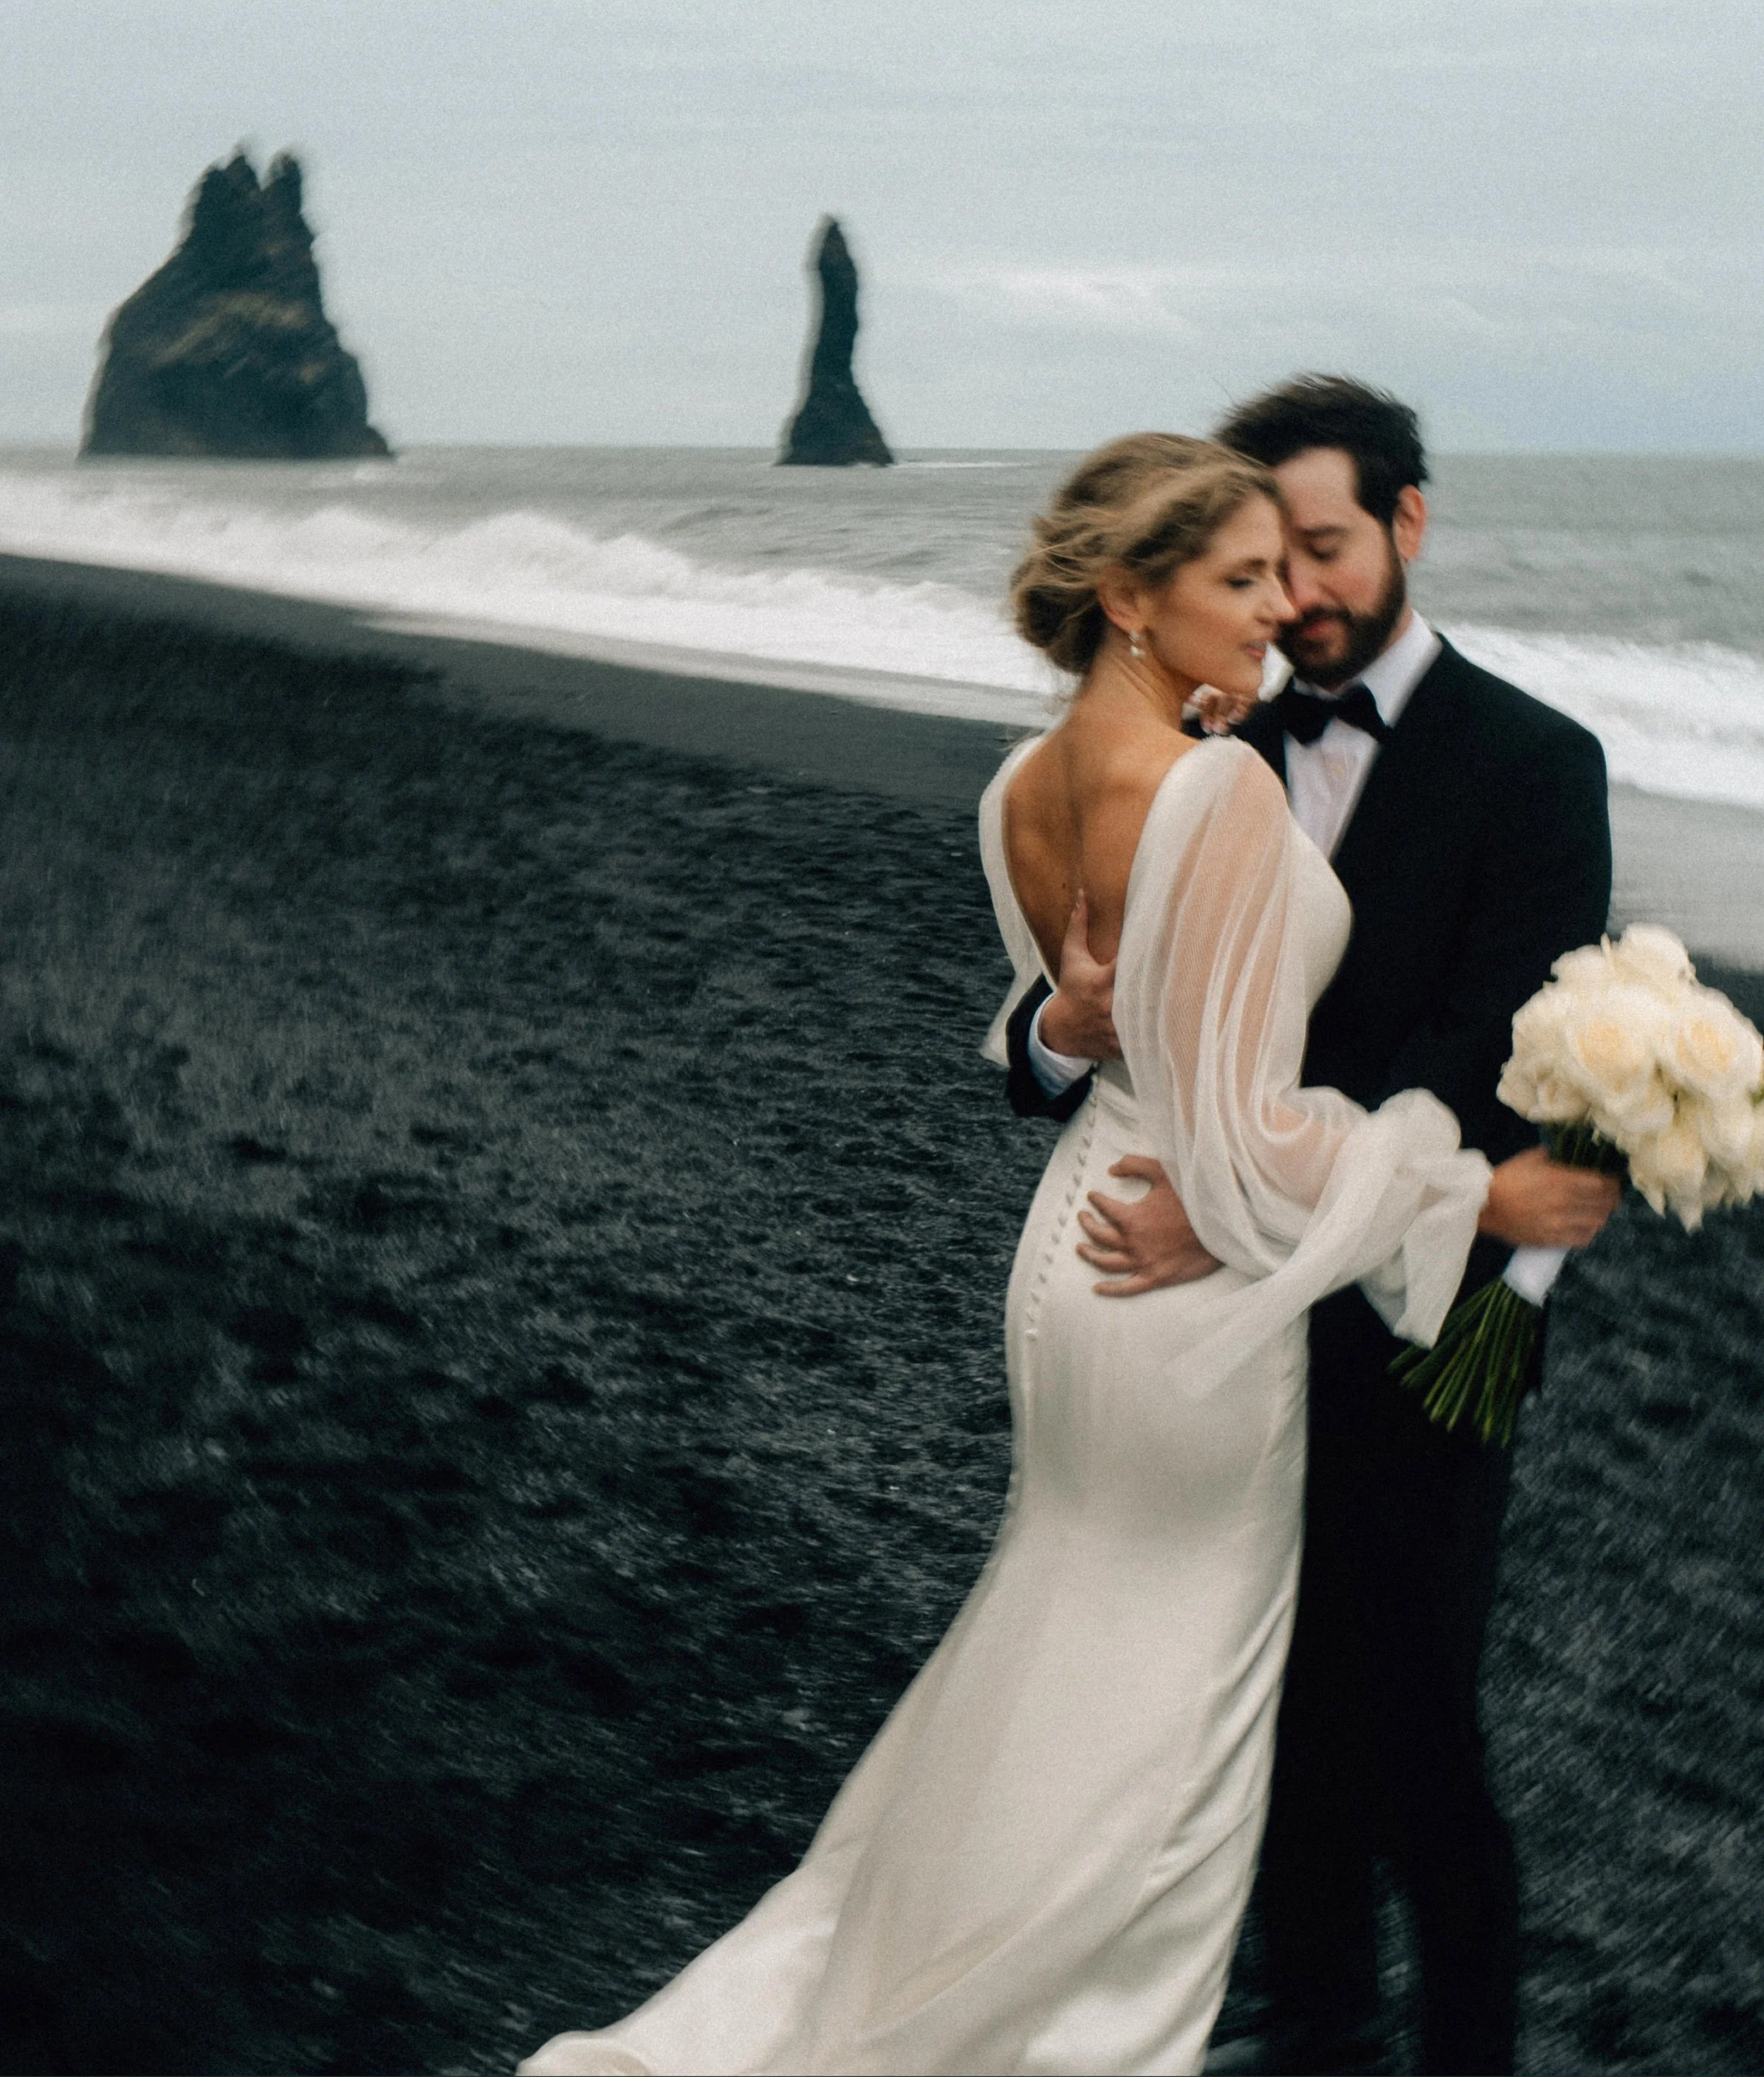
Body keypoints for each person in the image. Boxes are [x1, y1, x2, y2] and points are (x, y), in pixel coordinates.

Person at [520, 435, 1508, 2077]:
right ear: (1130, 596)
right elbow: (1245, 1135)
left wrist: (1067, 1034)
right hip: (1184, 1274)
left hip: (1070, 1250)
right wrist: (1430, 1171)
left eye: (1287, 569)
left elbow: (1082, 1033)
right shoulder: (1227, 785)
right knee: (1175, 1688)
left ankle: (950, 1963)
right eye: (1239, 578)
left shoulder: (1018, 786)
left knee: (1066, 1617)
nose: (1280, 608)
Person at [1005, 379, 1617, 2076]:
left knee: (1421, 1726)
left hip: (1434, 1322)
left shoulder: (1533, 764)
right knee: (1256, 1706)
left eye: (1326, 551)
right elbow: (1068, 1024)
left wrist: (1252, 1211)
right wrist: (1060, 1032)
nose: (1296, 600)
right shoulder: (1211, 742)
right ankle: (1318, 2025)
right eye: (1266, 563)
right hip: (1221, 1333)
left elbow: (1483, 1046)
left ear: (1407, 525)